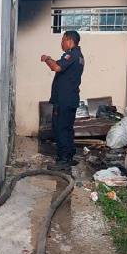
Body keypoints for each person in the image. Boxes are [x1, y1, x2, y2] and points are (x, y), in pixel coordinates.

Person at [41, 30, 85, 171]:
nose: (61, 43)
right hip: (70, 98)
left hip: (64, 100)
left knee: (60, 128)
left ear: (69, 40)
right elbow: (60, 66)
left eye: (62, 40)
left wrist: (47, 58)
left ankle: (63, 160)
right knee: (67, 128)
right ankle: (69, 156)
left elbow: (56, 67)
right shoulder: (79, 56)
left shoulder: (71, 54)